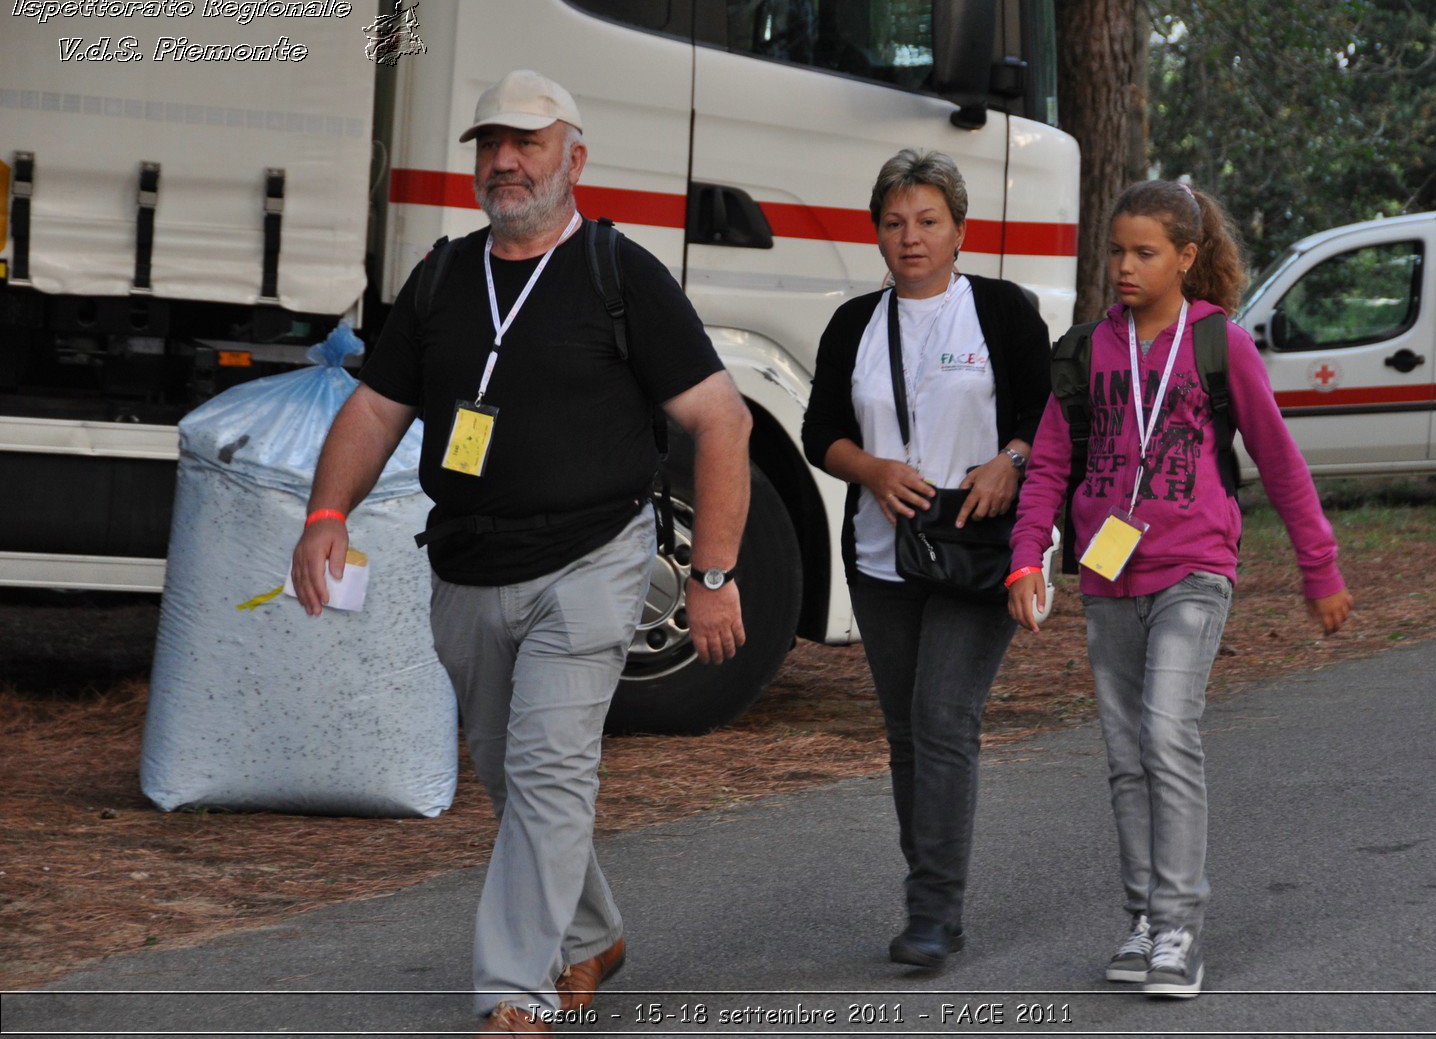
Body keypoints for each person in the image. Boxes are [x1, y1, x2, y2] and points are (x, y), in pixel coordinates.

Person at [290, 69, 752, 1036]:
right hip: (465, 563)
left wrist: (711, 575)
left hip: (593, 556)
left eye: (528, 142)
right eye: (490, 143)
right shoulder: (445, 276)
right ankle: (593, 932)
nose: (505, 160)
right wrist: (325, 514)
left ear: (572, 159)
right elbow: (376, 407)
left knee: (548, 771)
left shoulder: (618, 273)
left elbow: (722, 419)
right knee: (508, 769)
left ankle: (515, 993)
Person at [1006, 179, 1354, 999]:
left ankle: (1180, 928)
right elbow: (1052, 461)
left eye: (1144, 252)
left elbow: (1278, 458)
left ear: (1187, 258)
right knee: (1126, 754)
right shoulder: (1087, 347)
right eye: (1116, 251)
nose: (1124, 266)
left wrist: (1321, 567)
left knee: (1166, 734)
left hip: (1195, 566)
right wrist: (1027, 555)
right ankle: (1142, 916)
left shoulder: (1217, 342)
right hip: (1105, 571)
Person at [801, 149, 1050, 968]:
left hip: (978, 548)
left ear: (958, 231)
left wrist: (1009, 457)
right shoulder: (854, 325)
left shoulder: (1002, 311)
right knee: (908, 731)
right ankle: (931, 893)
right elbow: (819, 434)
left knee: (945, 717)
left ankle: (935, 912)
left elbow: (1047, 409)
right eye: (895, 222)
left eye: (928, 221)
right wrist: (869, 469)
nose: (911, 237)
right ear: (877, 234)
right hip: (884, 556)